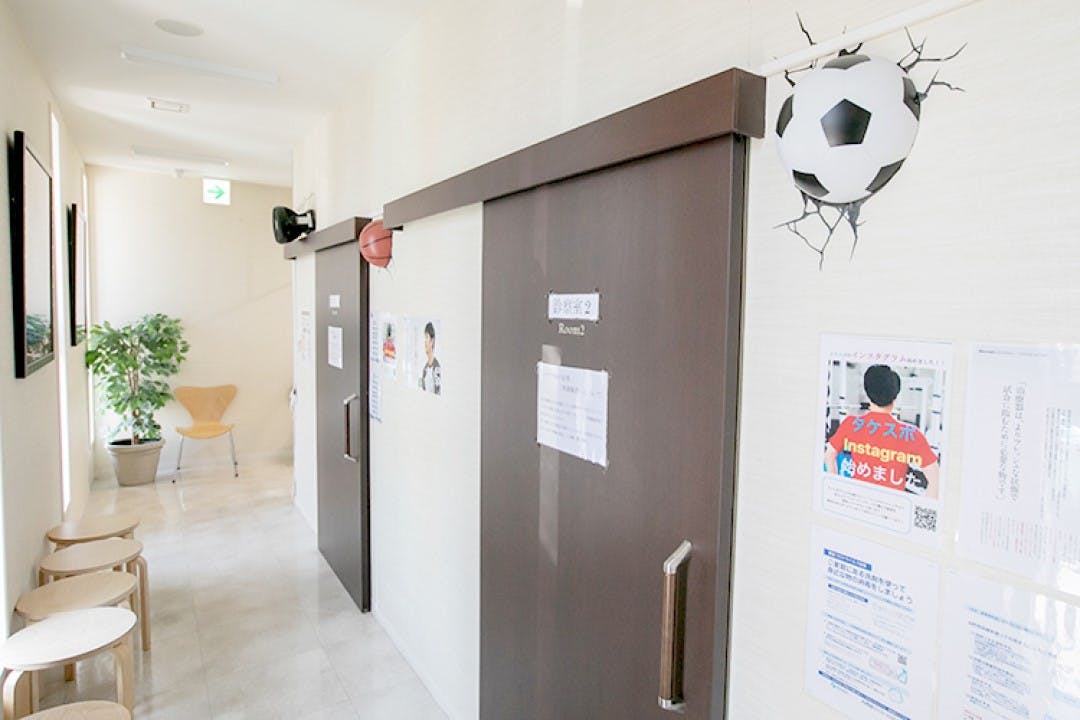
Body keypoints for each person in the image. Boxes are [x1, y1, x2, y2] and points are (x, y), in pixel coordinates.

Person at [824, 364, 940, 499]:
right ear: (895, 396)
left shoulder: (851, 424)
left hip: (859, 501)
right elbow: (935, 478)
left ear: (867, 392)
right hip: (893, 505)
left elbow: (829, 456)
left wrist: (837, 491)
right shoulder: (911, 434)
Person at [419, 321, 441, 395]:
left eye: (426, 337)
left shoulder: (437, 368)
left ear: (432, 340)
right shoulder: (424, 369)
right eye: (424, 337)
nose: (424, 341)